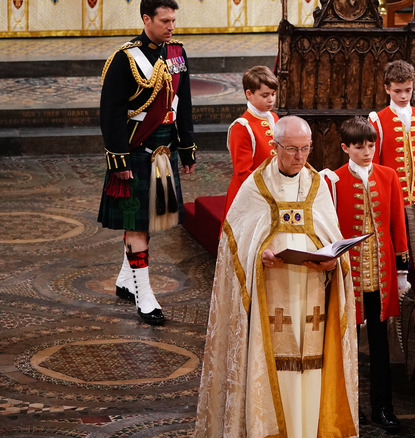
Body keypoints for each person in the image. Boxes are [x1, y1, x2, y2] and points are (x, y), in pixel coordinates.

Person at [195, 116, 358, 438]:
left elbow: (331, 236)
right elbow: (234, 245)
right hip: (270, 302)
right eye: (292, 149)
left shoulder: (317, 186)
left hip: (313, 301)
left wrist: (332, 266)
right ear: (274, 146)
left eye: (306, 149)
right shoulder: (255, 187)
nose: (300, 157)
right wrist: (259, 257)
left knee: (312, 367)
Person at [98, 0, 196, 325]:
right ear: (146, 19)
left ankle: (127, 279)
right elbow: (110, 114)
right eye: (165, 20)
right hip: (135, 154)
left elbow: (184, 104)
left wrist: (187, 148)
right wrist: (118, 160)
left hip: (164, 153)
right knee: (137, 224)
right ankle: (145, 297)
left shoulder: (177, 54)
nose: (171, 26)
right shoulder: (124, 59)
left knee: (147, 222)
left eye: (173, 20)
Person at [321, 116, 410, 433]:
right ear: (345, 148)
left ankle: (383, 407)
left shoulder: (388, 176)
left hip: (381, 276)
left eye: (371, 145)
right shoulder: (334, 181)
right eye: (359, 146)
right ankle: (348, 406)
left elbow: (398, 224)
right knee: (346, 344)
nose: (367, 151)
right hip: (349, 277)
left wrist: (401, 270)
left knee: (380, 345)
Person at [369, 60, 415, 233]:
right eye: (397, 91)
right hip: (392, 202)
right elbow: (375, 166)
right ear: (387, 89)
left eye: (408, 90)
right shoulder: (377, 120)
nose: (403, 96)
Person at [223, 65, 279, 219]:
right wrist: (268, 192)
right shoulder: (241, 127)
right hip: (250, 196)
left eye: (273, 94)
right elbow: (242, 173)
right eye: (265, 95)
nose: (271, 99)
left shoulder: (274, 118)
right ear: (249, 94)